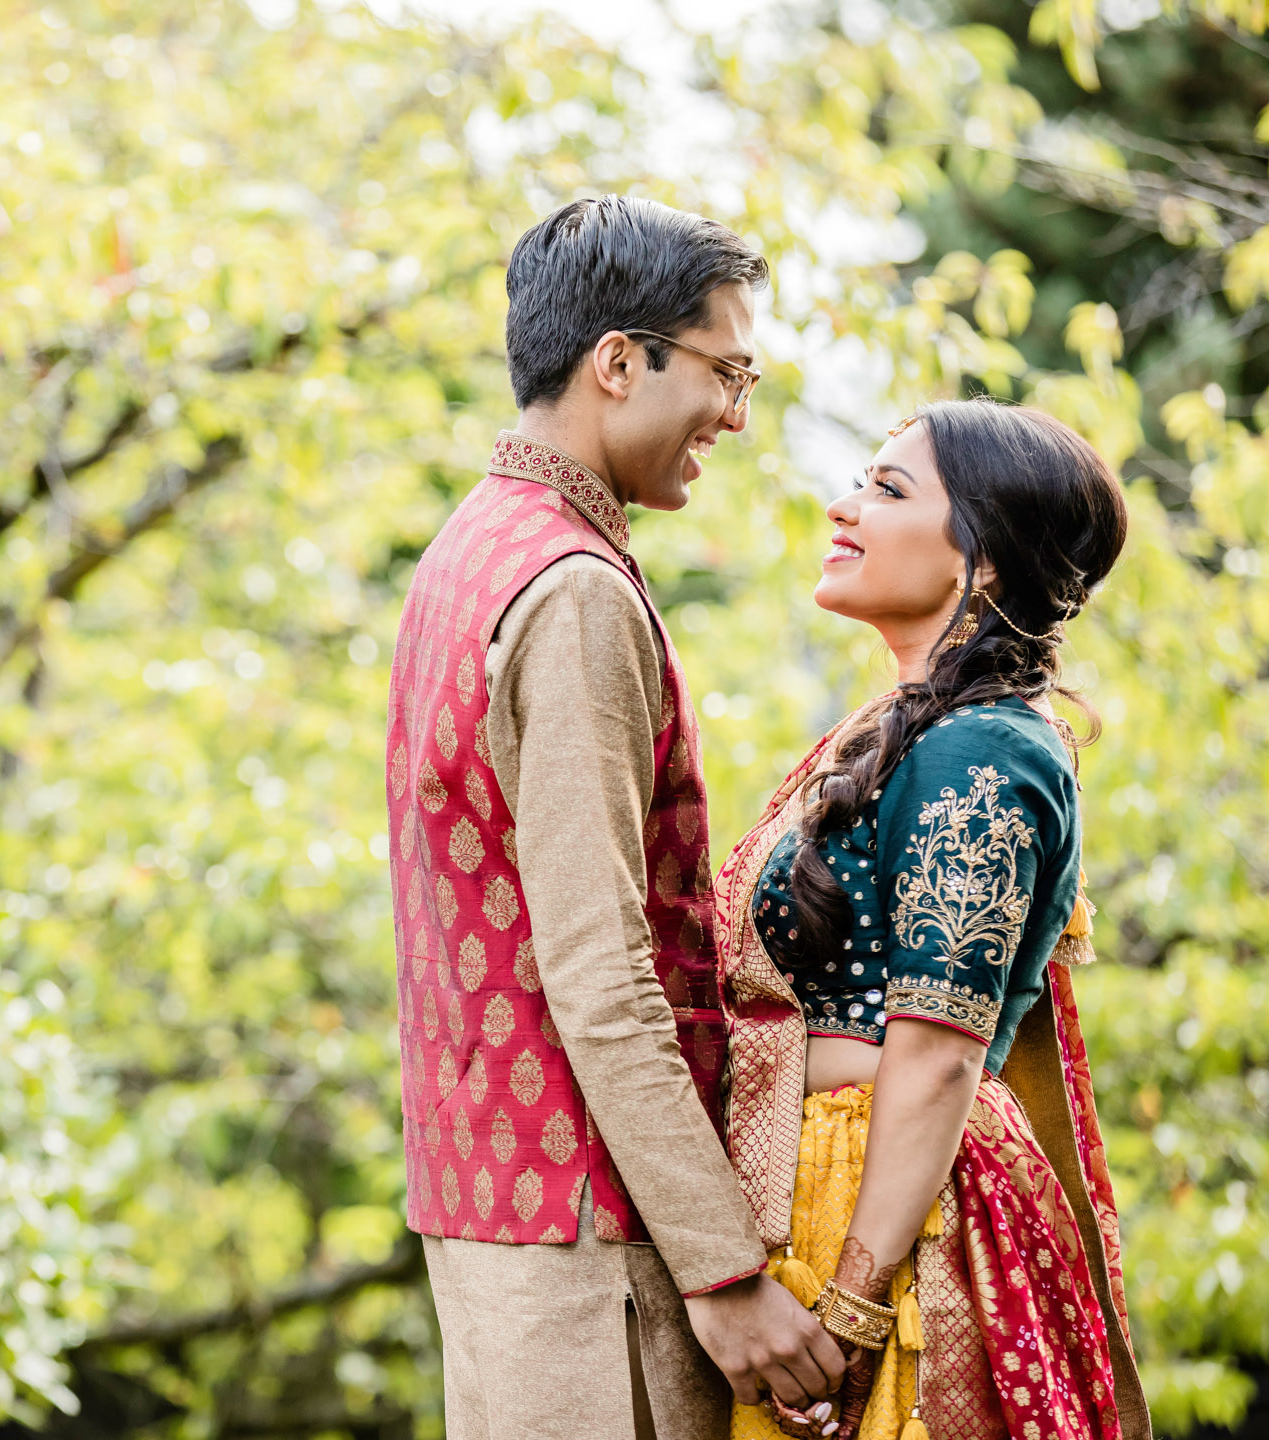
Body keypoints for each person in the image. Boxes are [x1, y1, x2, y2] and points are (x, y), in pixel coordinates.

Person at [385, 194, 844, 1440]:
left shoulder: (469, 548)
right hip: (596, 1259)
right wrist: (724, 1271)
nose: (738, 417)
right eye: (727, 372)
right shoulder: (572, 587)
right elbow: (599, 968)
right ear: (619, 360)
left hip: (494, 1222)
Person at [712, 400, 1152, 1440]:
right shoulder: (916, 731)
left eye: (887, 490)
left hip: (902, 1224)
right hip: (827, 1192)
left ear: (984, 562)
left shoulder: (984, 753)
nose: (843, 505)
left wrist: (856, 1308)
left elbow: (940, 1055)